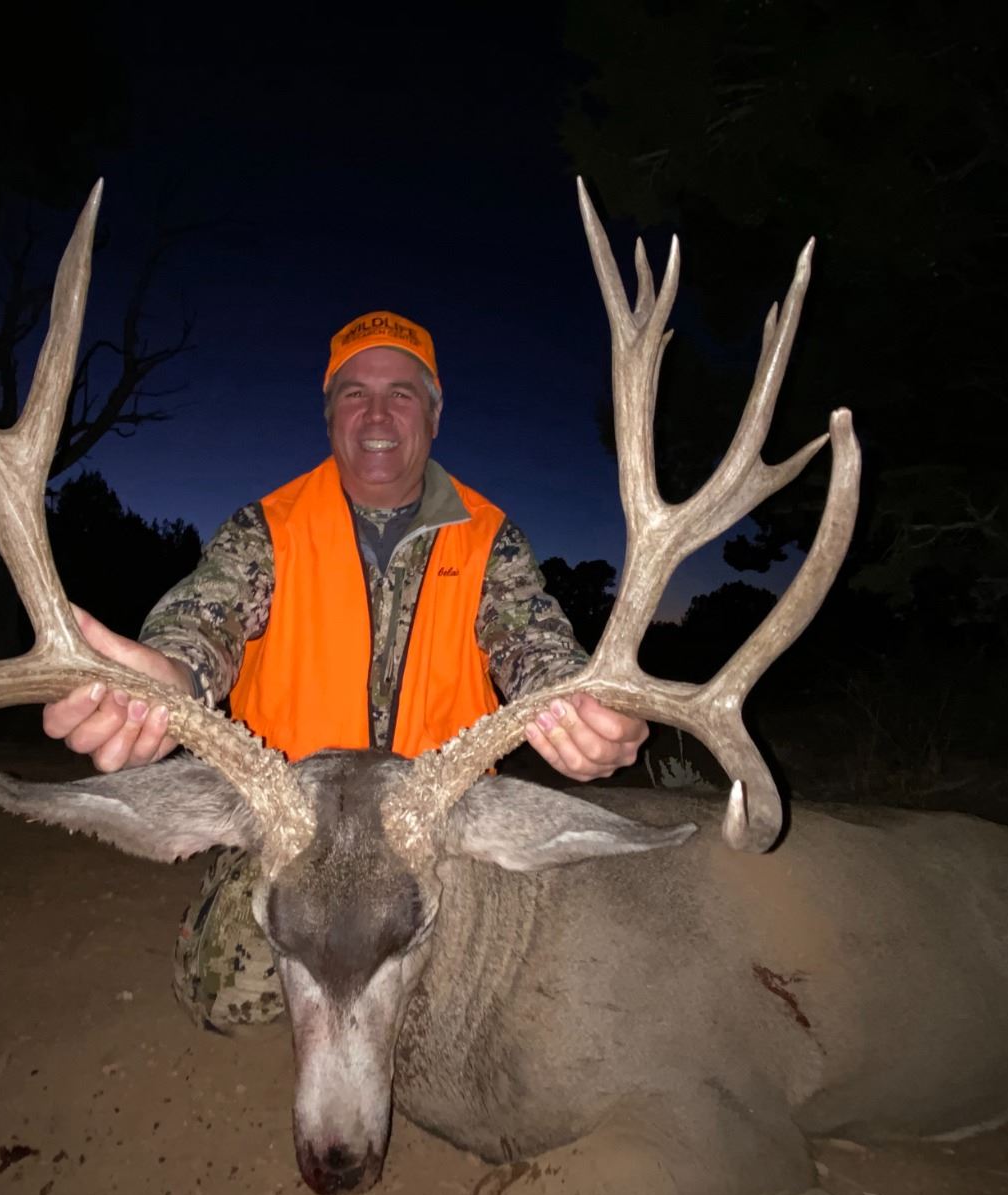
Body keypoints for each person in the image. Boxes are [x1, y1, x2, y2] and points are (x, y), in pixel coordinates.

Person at [43, 310, 648, 1030]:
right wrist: (169, 681)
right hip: (299, 821)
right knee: (226, 990)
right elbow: (205, 619)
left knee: (498, 988)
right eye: (355, 393)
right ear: (330, 415)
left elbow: (536, 647)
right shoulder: (268, 528)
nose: (377, 414)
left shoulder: (489, 538)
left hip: (433, 824)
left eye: (401, 393)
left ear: (434, 413)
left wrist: (578, 709)